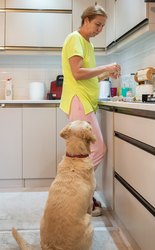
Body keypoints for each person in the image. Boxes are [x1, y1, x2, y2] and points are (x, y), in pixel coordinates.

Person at [60, 5, 121, 217]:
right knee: (97, 149)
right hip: (79, 101)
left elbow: (89, 76)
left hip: (84, 101)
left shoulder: (88, 44)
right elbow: (77, 73)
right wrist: (105, 67)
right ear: (86, 20)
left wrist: (106, 74)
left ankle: (79, 194)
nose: (99, 29)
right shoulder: (74, 38)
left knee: (84, 151)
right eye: (97, 24)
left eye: (102, 26)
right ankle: (80, 194)